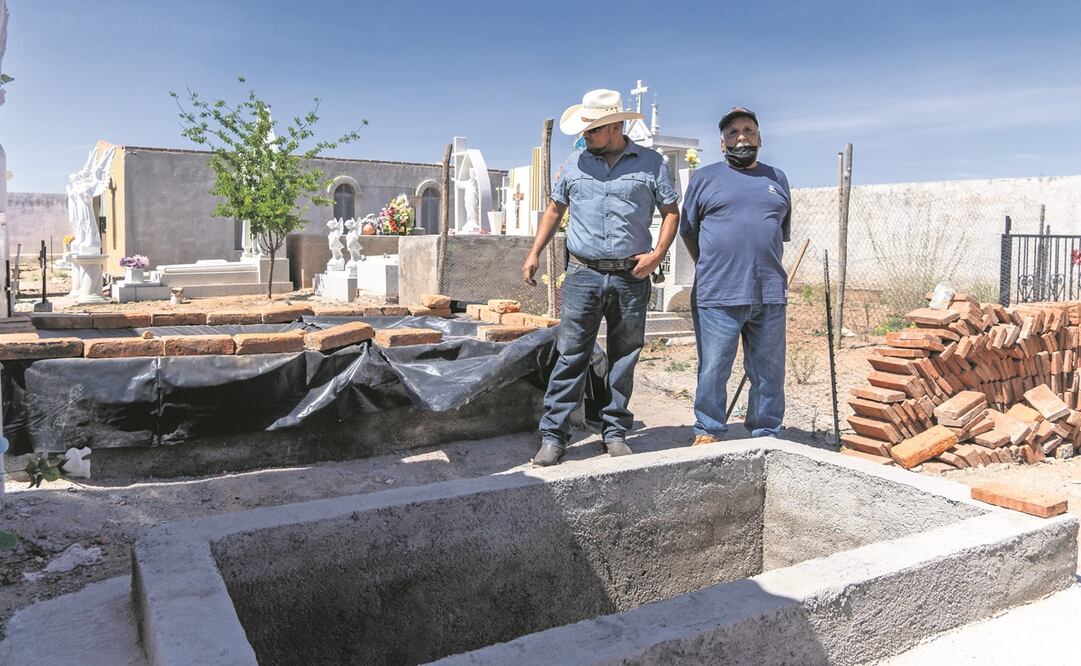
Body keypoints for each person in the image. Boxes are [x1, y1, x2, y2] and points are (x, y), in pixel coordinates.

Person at [522, 88, 680, 466]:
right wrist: (534, 252)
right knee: (570, 354)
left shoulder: (651, 163)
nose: (585, 137)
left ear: (615, 127)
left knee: (624, 355)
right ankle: (554, 435)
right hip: (582, 275)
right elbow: (554, 210)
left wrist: (657, 254)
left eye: (591, 130)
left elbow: (672, 211)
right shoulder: (575, 164)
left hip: (631, 277)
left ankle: (614, 430)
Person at [679, 107, 791, 445]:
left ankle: (765, 431)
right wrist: (712, 264)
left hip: (769, 293)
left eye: (747, 130)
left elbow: (777, 234)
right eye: (732, 133)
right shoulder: (704, 179)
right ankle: (709, 429)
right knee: (714, 369)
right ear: (722, 143)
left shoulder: (777, 179)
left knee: (769, 373)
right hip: (718, 293)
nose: (740, 136)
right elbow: (689, 231)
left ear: (759, 137)